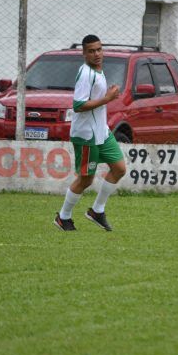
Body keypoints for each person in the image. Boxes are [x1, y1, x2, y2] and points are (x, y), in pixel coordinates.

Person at [54, 34, 126, 231]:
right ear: (84, 53)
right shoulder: (86, 74)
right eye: (92, 51)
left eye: (99, 49)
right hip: (86, 135)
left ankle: (97, 211)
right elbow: (78, 105)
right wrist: (107, 98)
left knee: (119, 168)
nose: (97, 54)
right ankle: (63, 217)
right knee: (86, 179)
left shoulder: (98, 70)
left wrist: (107, 96)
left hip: (101, 131)